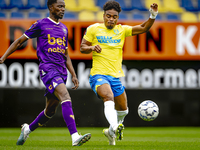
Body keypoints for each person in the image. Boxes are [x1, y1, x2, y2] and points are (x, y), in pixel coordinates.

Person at [0, 0, 91, 147]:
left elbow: (65, 54)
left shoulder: (64, 28)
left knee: (50, 110)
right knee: (65, 96)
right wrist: (4, 57)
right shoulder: (41, 24)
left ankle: (27, 129)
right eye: (59, 6)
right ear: (50, 7)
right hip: (48, 69)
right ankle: (74, 136)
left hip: (61, 71)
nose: (62, 9)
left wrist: (73, 74)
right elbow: (19, 41)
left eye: (64, 7)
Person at [80, 0, 158, 146]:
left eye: (114, 17)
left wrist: (153, 15)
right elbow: (82, 47)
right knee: (108, 96)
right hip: (98, 74)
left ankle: (110, 132)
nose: (111, 19)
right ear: (104, 16)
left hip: (115, 77)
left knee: (123, 110)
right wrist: (91, 48)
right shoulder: (93, 29)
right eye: (108, 16)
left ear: (117, 18)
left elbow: (143, 28)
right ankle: (115, 127)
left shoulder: (121, 30)